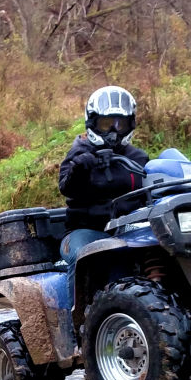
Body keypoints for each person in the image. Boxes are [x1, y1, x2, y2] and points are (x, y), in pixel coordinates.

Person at [58, 85, 149, 310]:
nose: (114, 131)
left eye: (121, 123)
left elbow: (154, 186)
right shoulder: (79, 152)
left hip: (129, 230)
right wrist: (79, 168)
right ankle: (77, 328)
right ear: (93, 122)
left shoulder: (138, 157)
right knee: (84, 256)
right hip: (85, 230)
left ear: (131, 123)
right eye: (107, 123)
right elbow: (65, 187)